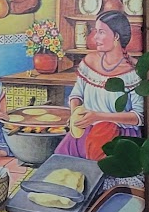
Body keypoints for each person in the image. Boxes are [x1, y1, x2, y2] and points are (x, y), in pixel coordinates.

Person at [56, 10, 142, 161]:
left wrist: (98, 116)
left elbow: (138, 116)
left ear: (116, 36)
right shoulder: (89, 62)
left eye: (101, 32)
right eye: (95, 31)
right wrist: (75, 114)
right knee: (61, 166)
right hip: (84, 132)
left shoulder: (134, 72)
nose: (95, 37)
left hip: (120, 138)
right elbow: (76, 94)